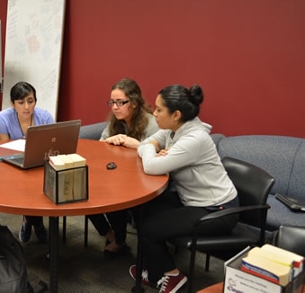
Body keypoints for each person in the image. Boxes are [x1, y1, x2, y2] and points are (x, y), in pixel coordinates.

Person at [128, 84, 239, 293]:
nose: (154, 113)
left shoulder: (194, 139)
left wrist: (153, 153)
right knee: (144, 208)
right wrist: (152, 149)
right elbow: (145, 143)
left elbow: (150, 165)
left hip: (218, 209)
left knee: (150, 229)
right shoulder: (173, 130)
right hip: (193, 200)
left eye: (159, 110)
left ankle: (173, 277)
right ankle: (154, 272)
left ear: (176, 114)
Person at [88, 78, 159, 259]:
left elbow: (159, 153)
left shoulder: (151, 124)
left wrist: (136, 144)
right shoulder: (115, 121)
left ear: (134, 103)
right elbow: (100, 145)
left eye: (121, 102)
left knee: (113, 197)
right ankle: (111, 235)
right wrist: (108, 141)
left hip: (143, 179)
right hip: (117, 174)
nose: (115, 107)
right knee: (84, 194)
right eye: (112, 102)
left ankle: (119, 241)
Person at [0, 81, 54, 243]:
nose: (27, 107)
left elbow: (54, 144)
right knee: (26, 184)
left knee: (38, 182)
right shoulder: (3, 118)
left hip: (41, 162)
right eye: (21, 103)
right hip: (14, 164)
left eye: (31, 101)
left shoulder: (45, 116)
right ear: (12, 104)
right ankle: (37, 222)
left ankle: (29, 220)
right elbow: (5, 149)